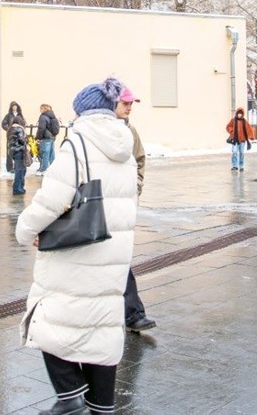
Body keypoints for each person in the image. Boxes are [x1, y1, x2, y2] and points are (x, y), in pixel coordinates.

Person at [16, 77, 137, 415]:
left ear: (83, 111)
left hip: (77, 250)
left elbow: (51, 200)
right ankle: (101, 405)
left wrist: (25, 230)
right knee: (102, 329)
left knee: (48, 318)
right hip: (113, 248)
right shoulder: (124, 147)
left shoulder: (78, 145)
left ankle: (70, 394)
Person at [116, 86, 156, 334]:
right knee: (114, 260)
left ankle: (132, 314)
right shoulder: (94, 131)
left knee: (119, 258)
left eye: (131, 104)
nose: (129, 107)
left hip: (123, 207)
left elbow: (140, 160)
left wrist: (136, 186)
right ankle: (131, 314)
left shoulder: (130, 131)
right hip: (99, 207)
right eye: (125, 103)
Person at [35, 103, 60, 174]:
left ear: (44, 109)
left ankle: (43, 169)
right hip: (52, 137)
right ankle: (53, 169)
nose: (40, 110)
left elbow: (41, 128)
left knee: (45, 153)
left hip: (46, 137)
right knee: (51, 154)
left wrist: (38, 137)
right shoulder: (52, 116)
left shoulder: (43, 116)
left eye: (41, 108)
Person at [1, 101, 26, 173]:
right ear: (11, 107)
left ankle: (17, 167)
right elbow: (3, 124)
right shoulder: (8, 115)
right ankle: (9, 168)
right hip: (11, 136)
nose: (14, 107)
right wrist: (9, 129)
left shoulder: (20, 115)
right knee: (9, 151)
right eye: (13, 106)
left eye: (16, 106)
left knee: (18, 150)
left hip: (19, 135)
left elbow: (23, 124)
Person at [9, 122, 30, 195]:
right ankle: (17, 189)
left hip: (14, 152)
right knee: (20, 171)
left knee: (20, 170)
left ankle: (19, 188)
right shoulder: (19, 129)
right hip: (19, 151)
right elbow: (22, 140)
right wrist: (27, 140)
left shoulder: (11, 129)